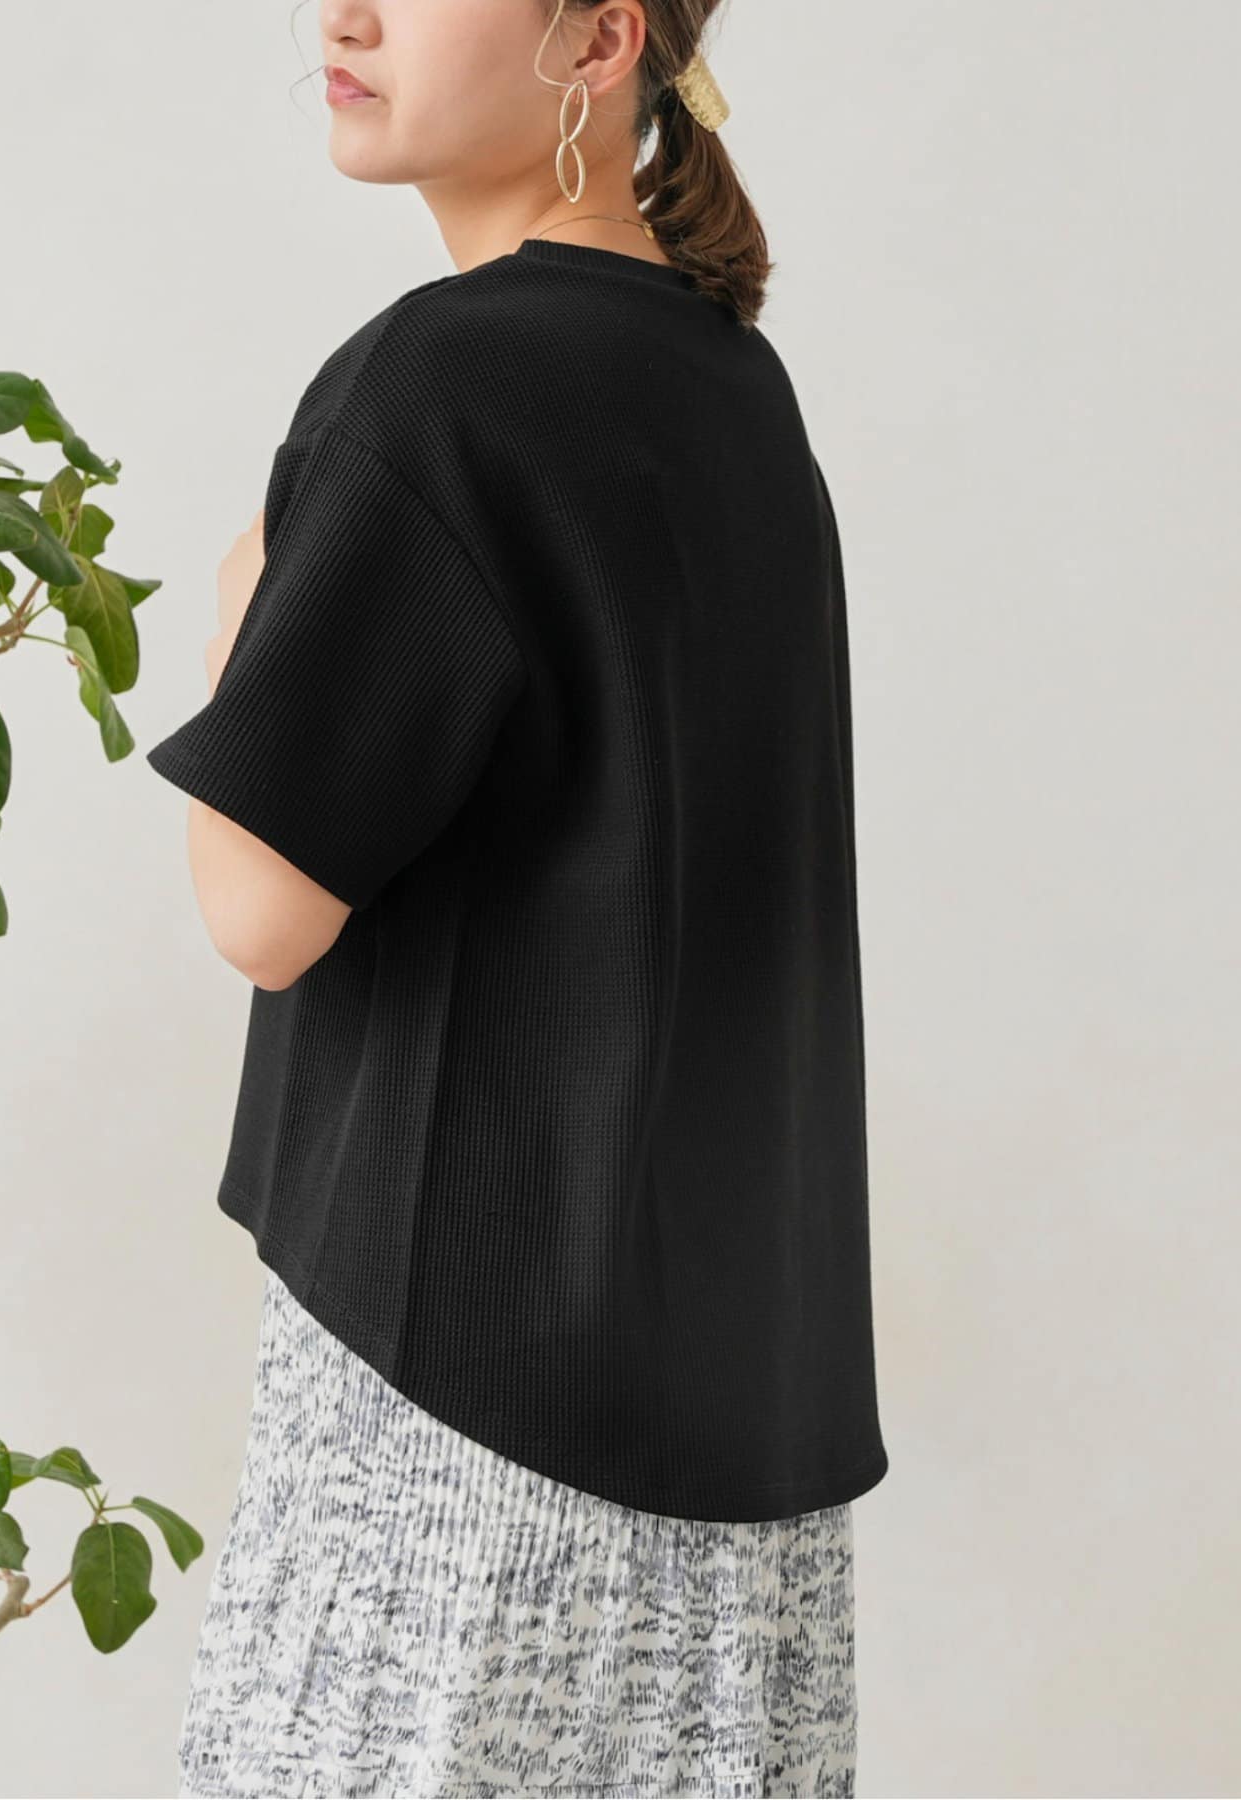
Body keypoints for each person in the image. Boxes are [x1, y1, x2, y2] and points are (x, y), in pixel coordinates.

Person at [145, 0, 890, 1793]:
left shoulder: (447, 382)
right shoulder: (730, 381)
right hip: (729, 1436)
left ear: (598, 39)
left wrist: (246, 588)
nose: (344, 16)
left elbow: (263, 910)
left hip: (463, 1429)